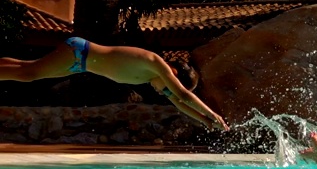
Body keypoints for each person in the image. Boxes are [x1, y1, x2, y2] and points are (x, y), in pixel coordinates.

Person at [0, 37, 229, 131]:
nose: (162, 91)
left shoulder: (152, 77)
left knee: (27, 67)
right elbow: (184, 95)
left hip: (80, 64)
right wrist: (214, 115)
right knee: (28, 74)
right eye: (167, 86)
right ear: (174, 73)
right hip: (80, 52)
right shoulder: (156, 64)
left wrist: (207, 123)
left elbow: (180, 103)